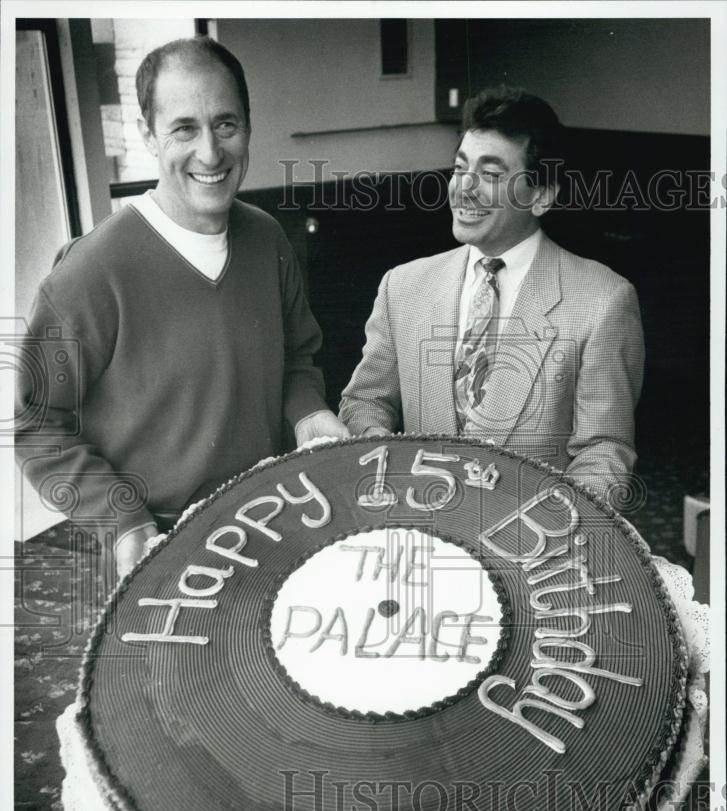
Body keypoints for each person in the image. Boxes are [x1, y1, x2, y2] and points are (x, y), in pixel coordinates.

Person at [16, 36, 347, 579]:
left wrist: (308, 414)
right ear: (148, 134)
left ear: (248, 125)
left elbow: (296, 361)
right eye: (183, 129)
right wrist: (122, 520)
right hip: (158, 550)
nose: (211, 153)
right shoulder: (88, 273)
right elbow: (37, 423)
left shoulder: (268, 239)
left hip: (276, 525)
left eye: (226, 124)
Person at [339, 87, 644, 499]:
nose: (464, 188)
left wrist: (531, 529)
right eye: (460, 167)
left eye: (491, 174)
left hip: (532, 550)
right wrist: (390, 464)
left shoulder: (604, 301)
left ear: (542, 195)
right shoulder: (403, 286)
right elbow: (364, 402)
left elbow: (604, 455)